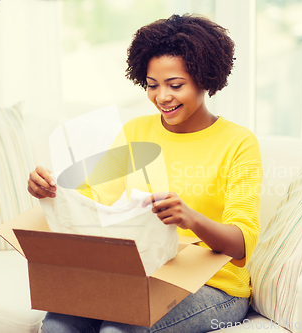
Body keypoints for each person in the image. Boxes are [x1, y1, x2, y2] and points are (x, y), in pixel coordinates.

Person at [28, 13, 263, 333]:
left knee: (118, 330)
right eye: (152, 85)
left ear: (205, 79)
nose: (162, 97)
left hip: (215, 286)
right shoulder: (136, 130)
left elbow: (240, 245)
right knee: (57, 325)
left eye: (175, 85)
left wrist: (189, 218)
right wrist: (52, 188)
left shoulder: (238, 143)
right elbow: (94, 201)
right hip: (142, 275)